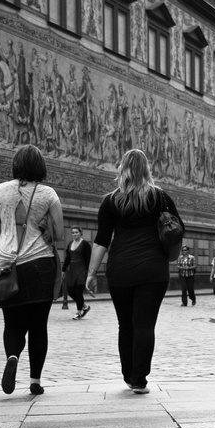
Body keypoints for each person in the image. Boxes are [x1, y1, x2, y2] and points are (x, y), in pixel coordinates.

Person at [85, 148, 184, 394]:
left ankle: (128, 374)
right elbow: (178, 228)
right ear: (147, 169)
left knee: (125, 325)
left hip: (120, 270)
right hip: (153, 270)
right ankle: (139, 379)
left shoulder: (110, 201)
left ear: (122, 169)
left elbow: (101, 240)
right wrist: (171, 256)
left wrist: (91, 273)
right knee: (145, 325)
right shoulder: (160, 197)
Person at [0, 144, 64, 396]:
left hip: (8, 265)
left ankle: (12, 357)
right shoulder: (49, 194)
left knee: (12, 324)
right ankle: (34, 381)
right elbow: (59, 235)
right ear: (40, 167)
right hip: (40, 264)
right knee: (38, 326)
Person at [62, 225, 92, 320]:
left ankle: (79, 312)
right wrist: (63, 270)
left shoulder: (85, 244)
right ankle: (85, 307)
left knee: (78, 291)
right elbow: (68, 258)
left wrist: (89, 273)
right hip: (72, 270)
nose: (74, 234)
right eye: (73, 232)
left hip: (82, 270)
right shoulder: (70, 243)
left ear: (80, 233)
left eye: (76, 232)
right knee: (70, 291)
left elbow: (89, 259)